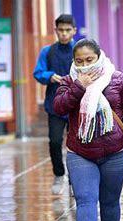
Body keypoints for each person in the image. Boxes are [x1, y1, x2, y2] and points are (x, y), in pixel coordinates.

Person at [54, 39, 123, 221]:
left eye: (89, 60)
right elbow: (58, 107)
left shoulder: (117, 79)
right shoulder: (69, 81)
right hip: (81, 152)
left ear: (99, 57)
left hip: (116, 152)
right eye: (80, 61)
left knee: (110, 201)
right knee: (85, 198)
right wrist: (79, 87)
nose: (85, 65)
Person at [33, 14, 76, 195]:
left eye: (68, 30)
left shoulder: (80, 49)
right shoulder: (48, 51)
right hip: (55, 105)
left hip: (77, 105)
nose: (64, 34)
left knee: (76, 145)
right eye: (61, 30)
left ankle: (75, 181)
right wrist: (50, 76)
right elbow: (38, 72)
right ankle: (59, 174)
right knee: (55, 141)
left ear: (74, 30)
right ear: (56, 31)